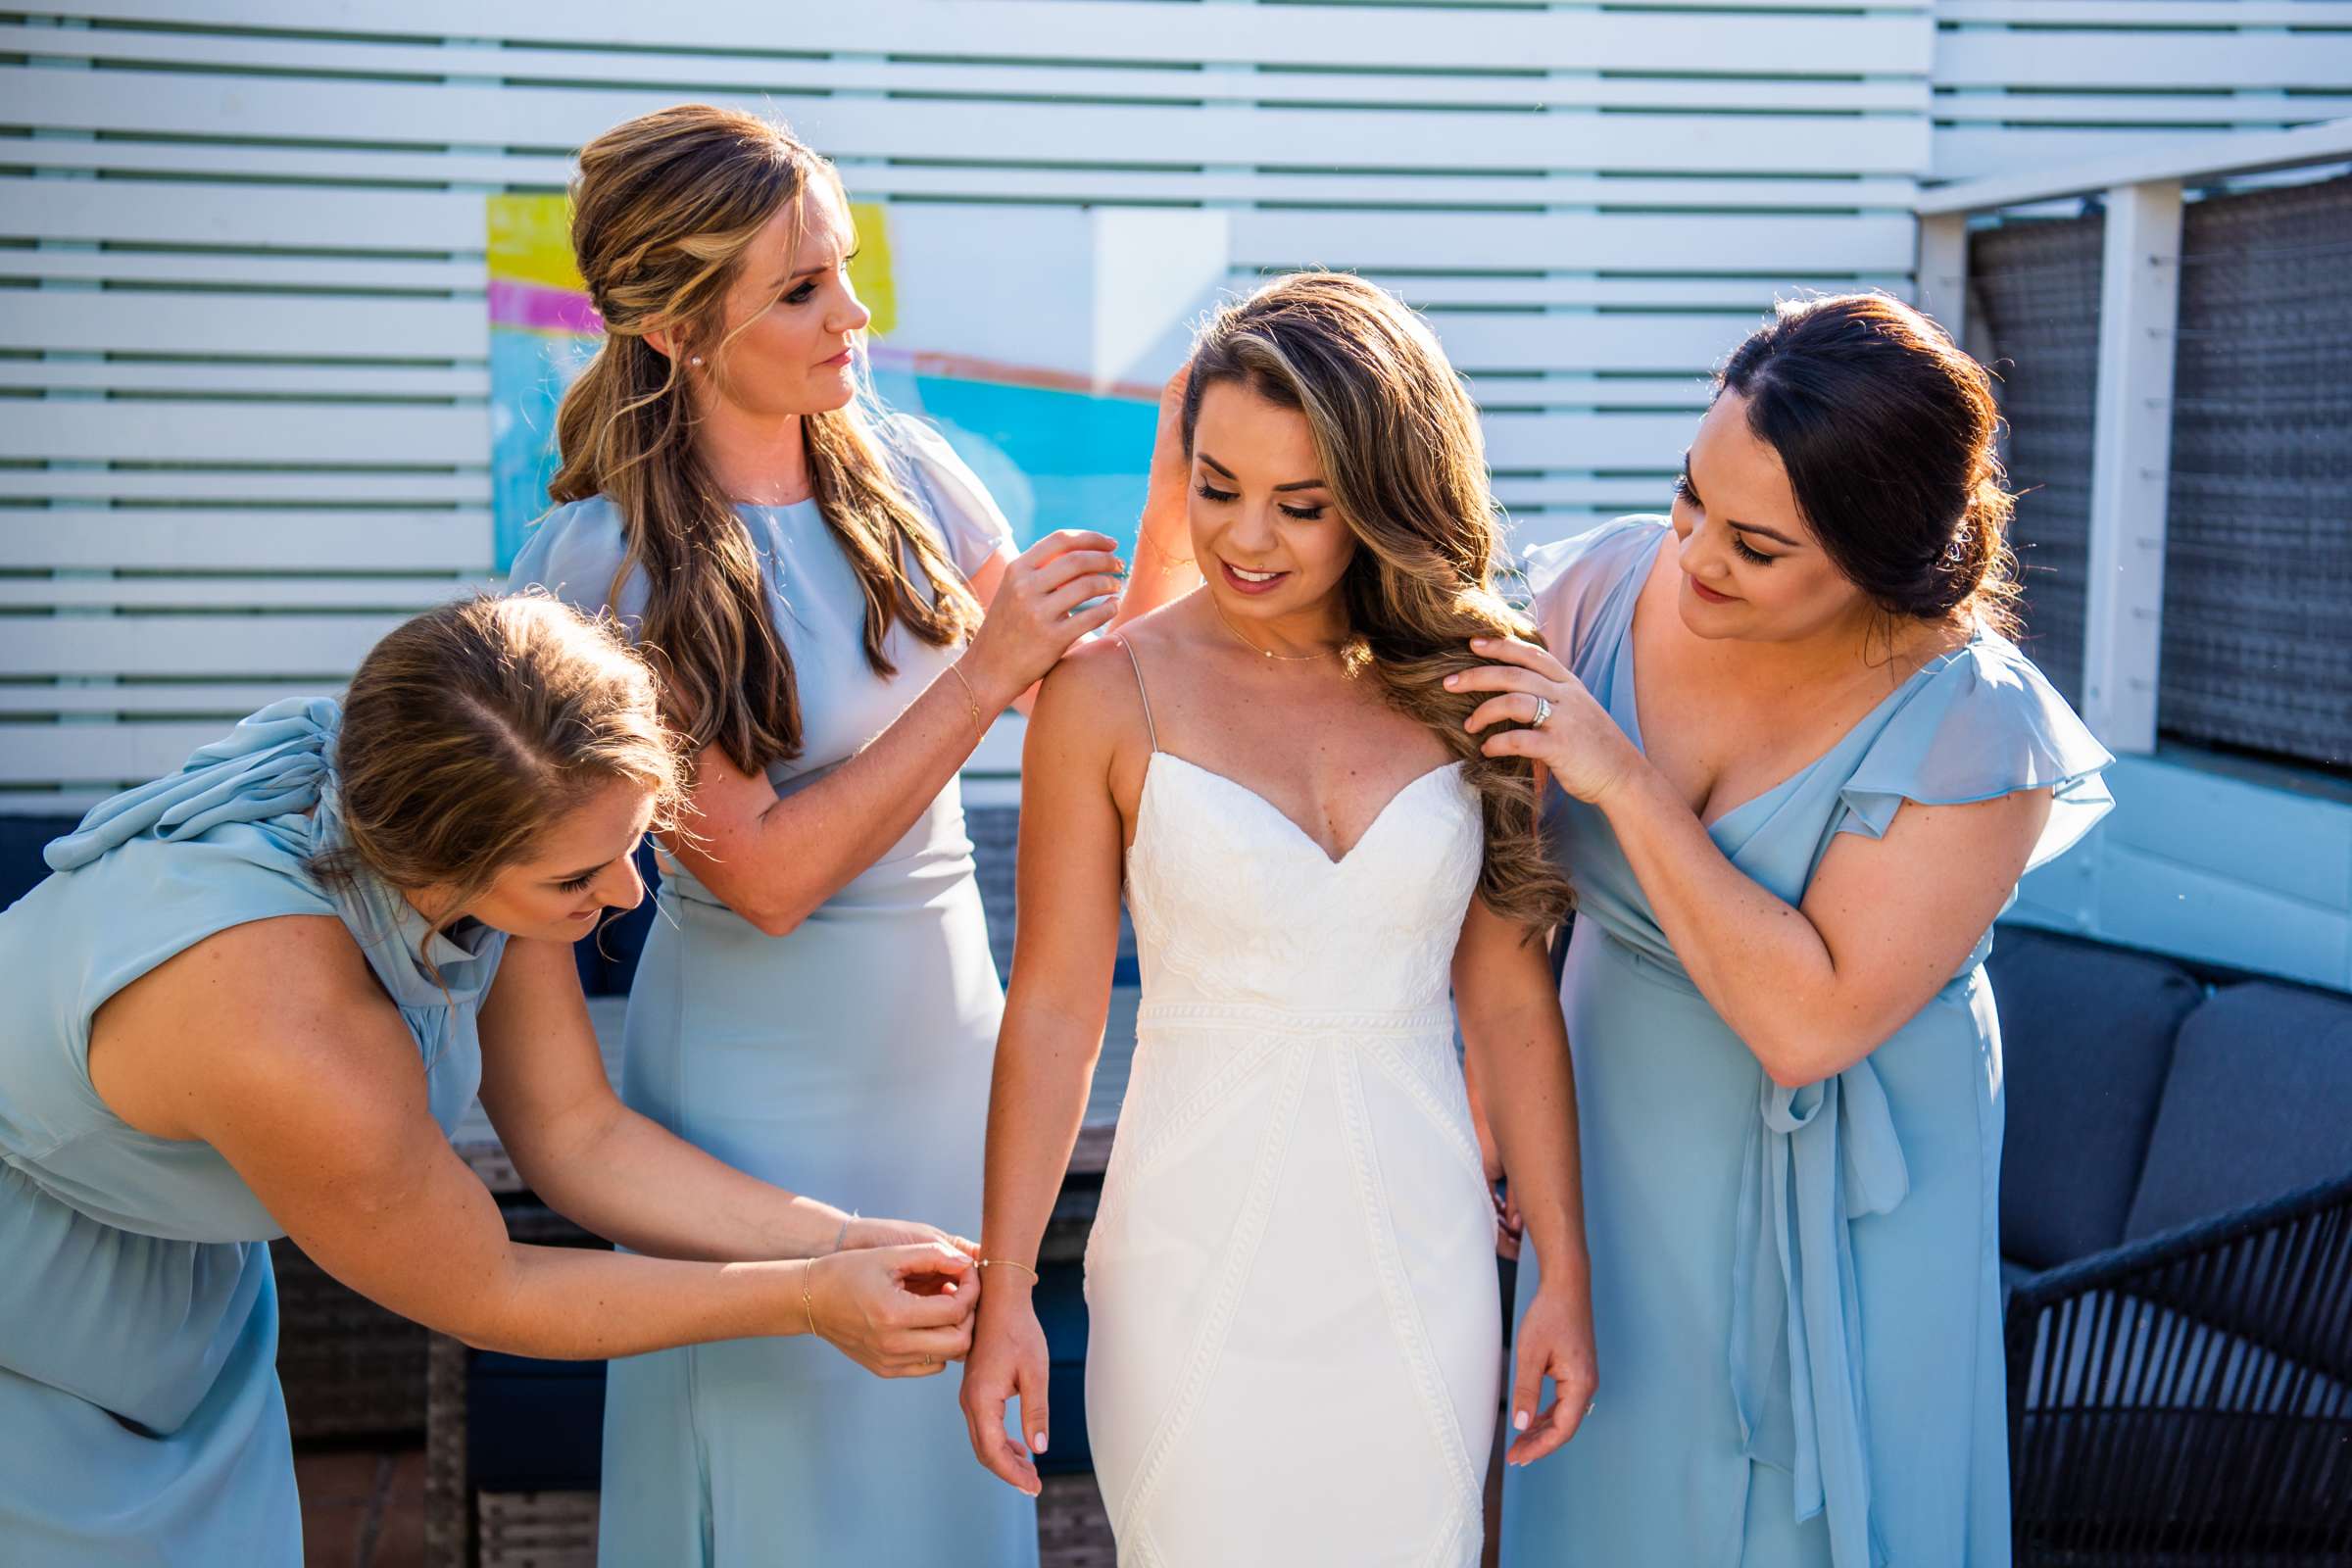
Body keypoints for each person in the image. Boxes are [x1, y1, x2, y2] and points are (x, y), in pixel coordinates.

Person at [0, 595, 979, 1567]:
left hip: (185, 1309)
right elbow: (490, 1286)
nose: (627, 896)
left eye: (634, 842)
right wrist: (811, 1299)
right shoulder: (287, 1029)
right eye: (574, 880)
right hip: (28, 1327)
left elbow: (575, 1133)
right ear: (445, 855)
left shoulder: (461, 814)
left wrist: (844, 1237)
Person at [507, 104, 1124, 1564]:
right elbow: (768, 874)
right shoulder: (614, 563)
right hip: (753, 1098)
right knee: (785, 1483)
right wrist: (987, 668)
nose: (851, 315)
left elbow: (1089, 702)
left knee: (938, 1475)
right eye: (799, 289)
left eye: (844, 270)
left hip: (950, 1064)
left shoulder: (910, 472)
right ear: (670, 325)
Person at [1464, 293, 2115, 1566]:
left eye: (1756, 546)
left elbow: (1806, 1024)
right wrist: (1493, 1086)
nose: (1695, 553)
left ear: (1881, 555)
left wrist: (1625, 779)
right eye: (1689, 496)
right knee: (1603, 1488)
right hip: (1611, 1130)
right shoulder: (1599, 588)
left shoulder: (1975, 726)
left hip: (1862, 1198)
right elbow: (1504, 885)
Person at [959, 272, 1598, 1566]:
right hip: (1189, 1256)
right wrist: (1007, 1295)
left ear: (1382, 494)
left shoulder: (1472, 684)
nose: (1246, 538)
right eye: (1215, 487)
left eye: (1301, 505)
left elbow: (1513, 1003)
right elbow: (1055, 1009)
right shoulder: (1105, 694)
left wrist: (1565, 1282)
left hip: (1419, 1252)